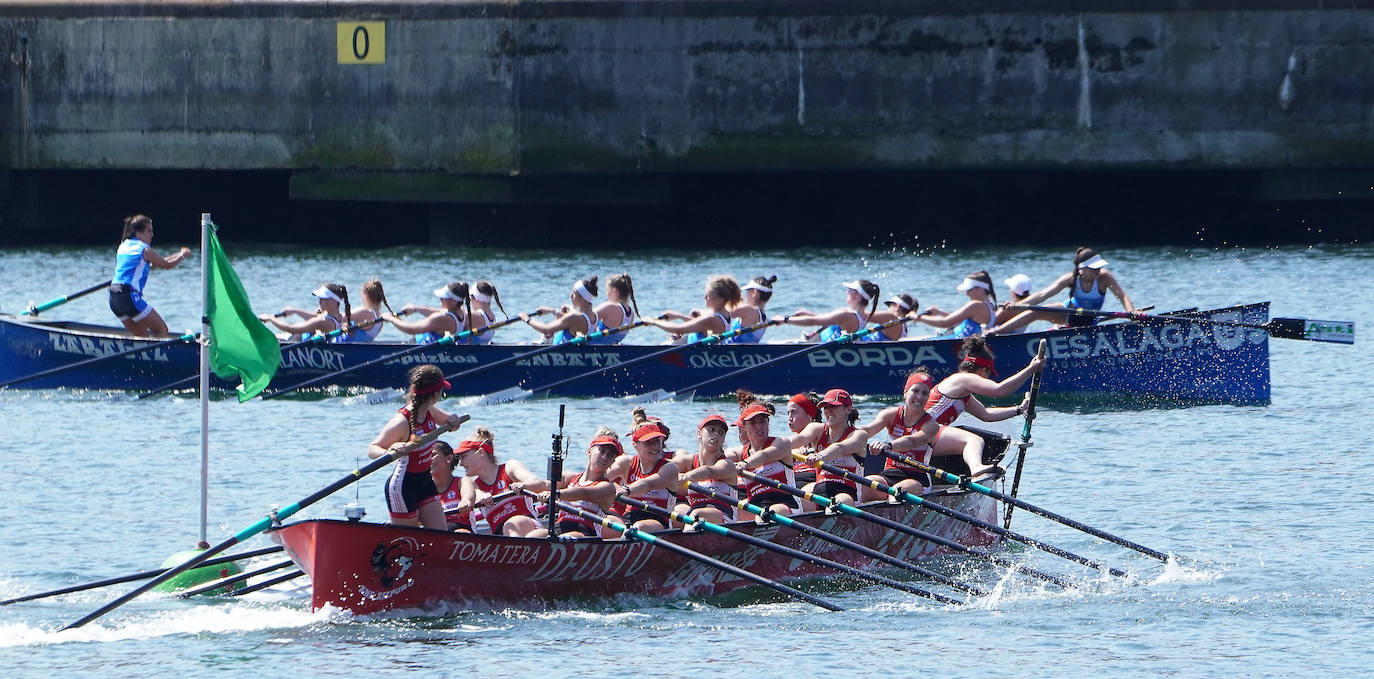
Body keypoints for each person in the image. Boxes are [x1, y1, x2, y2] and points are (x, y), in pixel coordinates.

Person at [925, 337, 1046, 476]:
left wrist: (1019, 409)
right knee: (973, 440)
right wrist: (1031, 369)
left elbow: (986, 415)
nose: (987, 379)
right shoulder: (963, 379)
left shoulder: (961, 390)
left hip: (924, 435)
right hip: (923, 431)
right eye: (988, 374)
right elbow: (999, 391)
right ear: (983, 369)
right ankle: (976, 468)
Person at [367, 364, 469, 528]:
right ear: (435, 394)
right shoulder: (402, 422)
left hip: (425, 481)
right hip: (403, 487)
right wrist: (390, 450)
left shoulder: (430, 411)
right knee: (407, 541)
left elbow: (450, 423)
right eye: (442, 391)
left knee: (440, 535)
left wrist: (454, 420)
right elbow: (372, 449)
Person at [990, 247, 1139, 335]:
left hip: (1090, 319)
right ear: (1082, 269)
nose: (1098, 270)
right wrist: (1018, 306)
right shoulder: (1070, 278)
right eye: (1095, 267)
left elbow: (1122, 296)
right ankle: (996, 333)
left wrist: (1131, 312)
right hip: (1069, 313)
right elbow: (1043, 295)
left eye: (1099, 266)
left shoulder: (1104, 277)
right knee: (1036, 311)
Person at [859, 368, 940, 502]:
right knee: (863, 485)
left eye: (925, 393)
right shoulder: (890, 415)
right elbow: (867, 430)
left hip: (917, 478)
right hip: (890, 474)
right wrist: (844, 436)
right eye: (915, 391)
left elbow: (911, 442)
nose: (919, 397)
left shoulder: (931, 425)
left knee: (896, 493)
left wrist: (888, 445)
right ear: (905, 392)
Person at [452, 427, 545, 537]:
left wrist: (523, 485)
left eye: (464, 457)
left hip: (530, 529)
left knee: (511, 525)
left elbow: (536, 482)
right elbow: (476, 495)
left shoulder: (510, 468)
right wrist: (482, 496)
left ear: (480, 452)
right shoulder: (473, 485)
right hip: (501, 537)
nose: (461, 463)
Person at [108, 214, 191, 337]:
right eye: (149, 231)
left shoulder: (123, 245)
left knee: (141, 336)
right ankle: (157, 355)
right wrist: (183, 255)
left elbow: (157, 263)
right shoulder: (144, 249)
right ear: (138, 233)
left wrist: (177, 254)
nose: (152, 235)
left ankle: (140, 355)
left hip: (114, 297)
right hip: (129, 297)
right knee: (161, 329)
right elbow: (166, 265)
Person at [534, 429, 624, 539]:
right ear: (589, 451)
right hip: (559, 528)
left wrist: (555, 494)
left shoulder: (607, 488)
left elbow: (583, 493)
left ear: (613, 462)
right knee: (533, 536)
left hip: (584, 534)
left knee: (568, 537)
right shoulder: (570, 477)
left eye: (610, 455)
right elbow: (544, 484)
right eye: (602, 450)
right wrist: (524, 486)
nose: (605, 457)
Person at [609, 408, 681, 532]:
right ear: (635, 445)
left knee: (639, 527)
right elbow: (600, 477)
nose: (655, 446)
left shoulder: (669, 468)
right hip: (629, 519)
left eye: (657, 441)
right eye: (648, 443)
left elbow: (648, 483)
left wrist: (625, 490)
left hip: (659, 522)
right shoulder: (626, 462)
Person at [731, 392, 800, 520]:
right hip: (756, 506)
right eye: (753, 422)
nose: (759, 427)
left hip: (786, 505)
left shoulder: (781, 443)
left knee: (765, 516)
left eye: (762, 421)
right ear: (744, 427)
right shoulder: (742, 452)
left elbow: (764, 455)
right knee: (728, 514)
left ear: (768, 422)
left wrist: (745, 464)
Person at [799, 389, 870, 506]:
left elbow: (840, 448)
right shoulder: (817, 429)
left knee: (839, 502)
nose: (828, 411)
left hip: (847, 493)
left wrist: (820, 455)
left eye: (834, 406)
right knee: (798, 501)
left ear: (848, 409)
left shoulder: (859, 435)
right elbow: (797, 440)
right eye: (825, 407)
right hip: (820, 489)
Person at [673, 414, 739, 525]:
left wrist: (686, 476)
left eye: (721, 433)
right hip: (695, 515)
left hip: (725, 516)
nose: (716, 435)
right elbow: (663, 468)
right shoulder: (688, 461)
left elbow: (709, 471)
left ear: (723, 439)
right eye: (711, 430)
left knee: (697, 514)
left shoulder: (727, 464)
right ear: (699, 433)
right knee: (672, 516)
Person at [642, 275, 741, 343]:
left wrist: (653, 322)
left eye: (708, 296)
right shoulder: (725, 314)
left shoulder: (713, 320)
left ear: (719, 300)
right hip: (698, 350)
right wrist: (678, 316)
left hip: (696, 354)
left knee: (674, 337)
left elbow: (677, 329)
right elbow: (699, 325)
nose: (704, 298)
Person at [782, 280, 880, 342]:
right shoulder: (863, 315)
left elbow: (814, 321)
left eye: (850, 290)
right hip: (818, 340)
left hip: (819, 345)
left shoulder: (847, 315)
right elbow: (828, 319)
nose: (847, 292)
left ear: (858, 297)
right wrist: (809, 314)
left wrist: (785, 320)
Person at [911, 270, 997, 339]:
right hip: (960, 342)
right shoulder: (990, 306)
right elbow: (958, 320)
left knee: (903, 341)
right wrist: (940, 312)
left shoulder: (975, 305)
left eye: (969, 290)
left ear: (980, 289)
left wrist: (919, 318)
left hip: (954, 344)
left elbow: (945, 323)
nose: (967, 294)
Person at [259, 283, 352, 341]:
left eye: (322, 299)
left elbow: (291, 328)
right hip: (301, 340)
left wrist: (271, 319)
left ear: (333, 301)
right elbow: (314, 317)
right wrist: (295, 311)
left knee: (267, 339)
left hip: (299, 344)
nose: (319, 302)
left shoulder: (325, 322)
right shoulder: (339, 316)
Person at [523, 276, 599, 344]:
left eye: (574, 293)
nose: (571, 295)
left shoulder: (574, 318)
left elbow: (546, 329)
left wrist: (527, 319)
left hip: (557, 353)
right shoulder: (594, 316)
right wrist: (552, 311)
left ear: (583, 298)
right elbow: (570, 321)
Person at [385, 281, 468, 344]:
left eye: (442, 298)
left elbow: (411, 329)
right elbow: (436, 311)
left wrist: (391, 319)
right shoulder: (461, 313)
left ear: (453, 301)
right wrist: (416, 309)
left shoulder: (443, 318)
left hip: (418, 350)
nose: (440, 301)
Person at [785, 392, 824, 512]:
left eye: (794, 412)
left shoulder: (824, 438)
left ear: (810, 416)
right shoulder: (787, 445)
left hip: (813, 488)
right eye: (788, 413)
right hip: (790, 488)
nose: (789, 418)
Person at [431, 441, 475, 532]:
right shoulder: (426, 490)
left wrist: (466, 501)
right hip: (437, 534)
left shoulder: (462, 481)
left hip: (462, 531)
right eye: (426, 456)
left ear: (449, 458)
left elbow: (469, 497)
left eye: (433, 455)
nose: (428, 460)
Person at [723, 276, 777, 344]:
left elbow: (722, 314)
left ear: (754, 293)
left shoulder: (748, 309)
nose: (746, 294)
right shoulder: (764, 317)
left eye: (748, 291)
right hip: (742, 351)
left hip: (728, 350)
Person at [589, 273, 640, 345]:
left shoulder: (610, 307)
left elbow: (584, 320)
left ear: (614, 292)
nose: (606, 294)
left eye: (607, 290)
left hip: (592, 347)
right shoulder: (631, 314)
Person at [337, 278, 394, 343]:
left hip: (341, 346)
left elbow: (340, 318)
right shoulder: (380, 321)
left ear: (366, 296)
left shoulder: (366, 312)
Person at [465, 280, 508, 345]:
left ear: (476, 299)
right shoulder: (492, 316)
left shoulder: (476, 316)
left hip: (466, 353)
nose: (470, 300)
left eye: (470, 297)